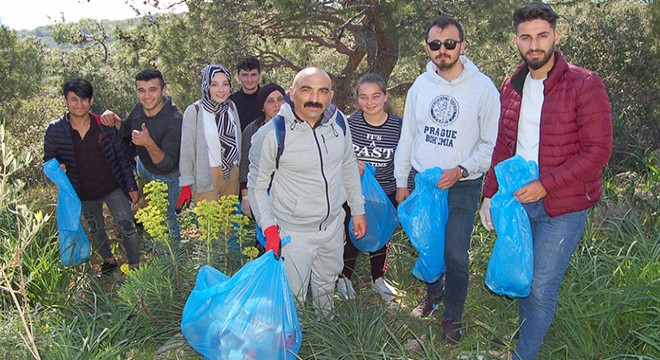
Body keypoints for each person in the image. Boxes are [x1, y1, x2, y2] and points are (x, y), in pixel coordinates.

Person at [479, 3, 612, 359]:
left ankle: (523, 355)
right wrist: (489, 195)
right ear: (516, 40)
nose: (534, 45)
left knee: (540, 286)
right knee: (524, 276)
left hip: (564, 204)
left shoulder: (584, 84)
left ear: (555, 35)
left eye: (541, 36)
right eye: (526, 37)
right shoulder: (512, 86)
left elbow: (598, 151)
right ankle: (526, 338)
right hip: (519, 200)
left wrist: (546, 184)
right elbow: (503, 145)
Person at [393, 16, 501, 344]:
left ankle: (452, 315)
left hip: (462, 183)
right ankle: (432, 294)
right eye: (436, 45)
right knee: (428, 245)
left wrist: (462, 169)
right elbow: (408, 135)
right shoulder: (420, 87)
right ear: (427, 48)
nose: (443, 50)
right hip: (425, 181)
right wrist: (401, 182)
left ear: (463, 46)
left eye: (450, 44)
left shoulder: (483, 88)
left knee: (454, 251)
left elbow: (490, 144)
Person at [248, 67, 367, 315]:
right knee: (293, 295)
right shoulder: (270, 135)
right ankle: (292, 341)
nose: (315, 98)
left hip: (333, 226)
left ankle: (324, 329)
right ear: (292, 93)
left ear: (331, 95)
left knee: (326, 284)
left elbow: (348, 166)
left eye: (323, 91)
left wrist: (358, 210)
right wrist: (269, 228)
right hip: (293, 232)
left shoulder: (340, 124)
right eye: (306, 90)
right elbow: (257, 187)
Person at [44, 78, 141, 273]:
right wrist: (58, 168)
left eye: (83, 100)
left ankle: (135, 264)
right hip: (83, 192)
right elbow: (48, 160)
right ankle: (109, 259)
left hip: (113, 187)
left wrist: (131, 186)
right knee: (96, 230)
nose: (79, 105)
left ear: (91, 100)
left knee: (127, 226)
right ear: (66, 101)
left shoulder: (103, 126)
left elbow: (122, 158)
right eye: (74, 100)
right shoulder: (55, 130)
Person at [335, 73, 400, 303]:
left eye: (375, 96)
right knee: (352, 233)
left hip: (386, 192)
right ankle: (344, 277)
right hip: (355, 193)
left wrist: (405, 187)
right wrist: (352, 166)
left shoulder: (397, 126)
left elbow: (404, 160)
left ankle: (378, 279)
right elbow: (338, 158)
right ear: (357, 99)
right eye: (363, 97)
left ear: (385, 96)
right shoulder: (349, 124)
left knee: (381, 236)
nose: (369, 103)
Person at [100, 69, 183, 243]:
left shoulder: (175, 120)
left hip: (166, 177)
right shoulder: (139, 108)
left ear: (164, 90)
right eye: (141, 90)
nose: (147, 96)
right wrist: (114, 119)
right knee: (147, 207)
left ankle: (173, 257)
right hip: (143, 168)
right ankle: (149, 238)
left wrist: (148, 143)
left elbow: (167, 165)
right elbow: (126, 129)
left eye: (153, 90)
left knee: (167, 218)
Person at [178, 64, 242, 205]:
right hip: (207, 175)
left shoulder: (231, 107)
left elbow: (238, 140)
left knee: (228, 223)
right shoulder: (194, 111)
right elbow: (187, 151)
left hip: (231, 172)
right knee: (210, 224)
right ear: (206, 86)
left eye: (225, 84)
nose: (221, 90)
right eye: (214, 84)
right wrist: (186, 183)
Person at [239, 83, 286, 218]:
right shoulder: (253, 130)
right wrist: (246, 197)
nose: (277, 104)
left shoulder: (296, 127)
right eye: (270, 101)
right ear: (262, 107)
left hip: (289, 193)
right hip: (262, 191)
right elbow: (245, 165)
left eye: (280, 99)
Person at [230, 56, 262, 131]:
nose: (249, 79)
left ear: (259, 76)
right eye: (245, 75)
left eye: (253, 74)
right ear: (238, 77)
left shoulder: (269, 99)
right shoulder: (231, 103)